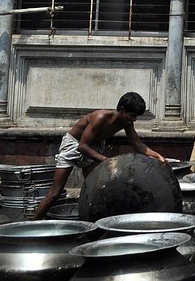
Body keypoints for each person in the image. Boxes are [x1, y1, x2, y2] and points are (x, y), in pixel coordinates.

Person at [32, 91, 167, 219]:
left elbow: (138, 145)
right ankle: (33, 224)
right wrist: (105, 160)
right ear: (122, 109)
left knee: (94, 192)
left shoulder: (127, 123)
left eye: (136, 117)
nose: (134, 119)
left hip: (93, 148)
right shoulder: (100, 117)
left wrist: (158, 156)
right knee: (54, 194)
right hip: (73, 145)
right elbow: (82, 146)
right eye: (132, 115)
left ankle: (91, 223)